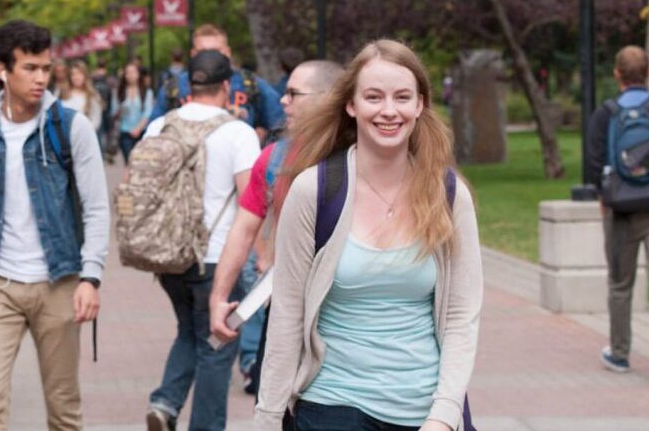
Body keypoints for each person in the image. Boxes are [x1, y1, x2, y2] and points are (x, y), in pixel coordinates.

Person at [257, 39, 482, 431]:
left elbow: (463, 314)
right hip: (331, 403)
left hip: (422, 409)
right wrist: (267, 418)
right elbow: (287, 314)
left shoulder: (448, 194)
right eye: (374, 97)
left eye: (402, 97)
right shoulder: (314, 190)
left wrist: (445, 414)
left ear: (420, 105)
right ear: (352, 105)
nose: (389, 110)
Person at [0, 20, 110, 430]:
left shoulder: (70, 126)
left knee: (63, 408)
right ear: (2, 71)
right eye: (30, 68)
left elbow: (96, 207)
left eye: (45, 68)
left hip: (58, 284)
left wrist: (91, 277)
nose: (41, 78)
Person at [208, 60, 345, 395]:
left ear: (328, 99)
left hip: (346, 312)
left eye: (293, 94)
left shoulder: (365, 157)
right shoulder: (272, 159)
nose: (283, 101)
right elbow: (242, 230)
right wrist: (219, 297)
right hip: (286, 308)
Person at [143, 50, 261, 431]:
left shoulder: (160, 125)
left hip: (169, 255)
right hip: (216, 258)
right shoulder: (237, 132)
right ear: (227, 86)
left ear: (189, 87)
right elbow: (252, 200)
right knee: (216, 344)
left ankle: (165, 402)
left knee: (189, 331)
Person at [587, 45, 649, 375]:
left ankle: (619, 353)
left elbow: (593, 164)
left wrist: (604, 197)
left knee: (620, 284)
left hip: (620, 211)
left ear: (617, 74)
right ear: (647, 73)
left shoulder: (606, 112)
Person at [149, 24, 284, 143]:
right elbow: (154, 134)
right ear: (193, 54)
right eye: (203, 52)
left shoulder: (252, 84)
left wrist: (262, 140)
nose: (210, 58)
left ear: (227, 53)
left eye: (216, 51)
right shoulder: (174, 88)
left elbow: (281, 126)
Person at [116, 61, 154, 165]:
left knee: (141, 163)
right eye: (128, 72)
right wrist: (120, 110)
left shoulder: (146, 92)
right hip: (125, 131)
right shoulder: (119, 92)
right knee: (129, 163)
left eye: (133, 72)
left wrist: (138, 128)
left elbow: (148, 112)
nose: (130, 75)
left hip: (141, 132)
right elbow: (114, 112)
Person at [61, 60, 104, 133]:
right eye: (73, 74)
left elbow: (96, 120)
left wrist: (85, 133)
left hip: (85, 137)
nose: (76, 77)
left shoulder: (93, 96)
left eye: (79, 74)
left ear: (85, 76)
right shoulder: (64, 94)